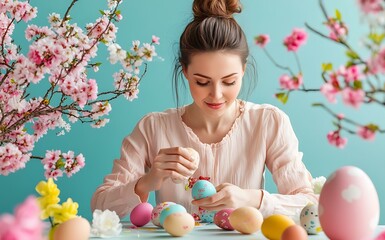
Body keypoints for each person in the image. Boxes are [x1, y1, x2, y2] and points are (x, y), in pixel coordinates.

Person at [91, 0, 318, 220]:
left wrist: (252, 199)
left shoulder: (268, 122)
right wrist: (149, 181)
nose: (216, 94)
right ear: (185, 71)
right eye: (202, 82)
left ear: (244, 70)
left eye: (229, 81)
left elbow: (311, 206)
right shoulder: (153, 127)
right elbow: (100, 207)